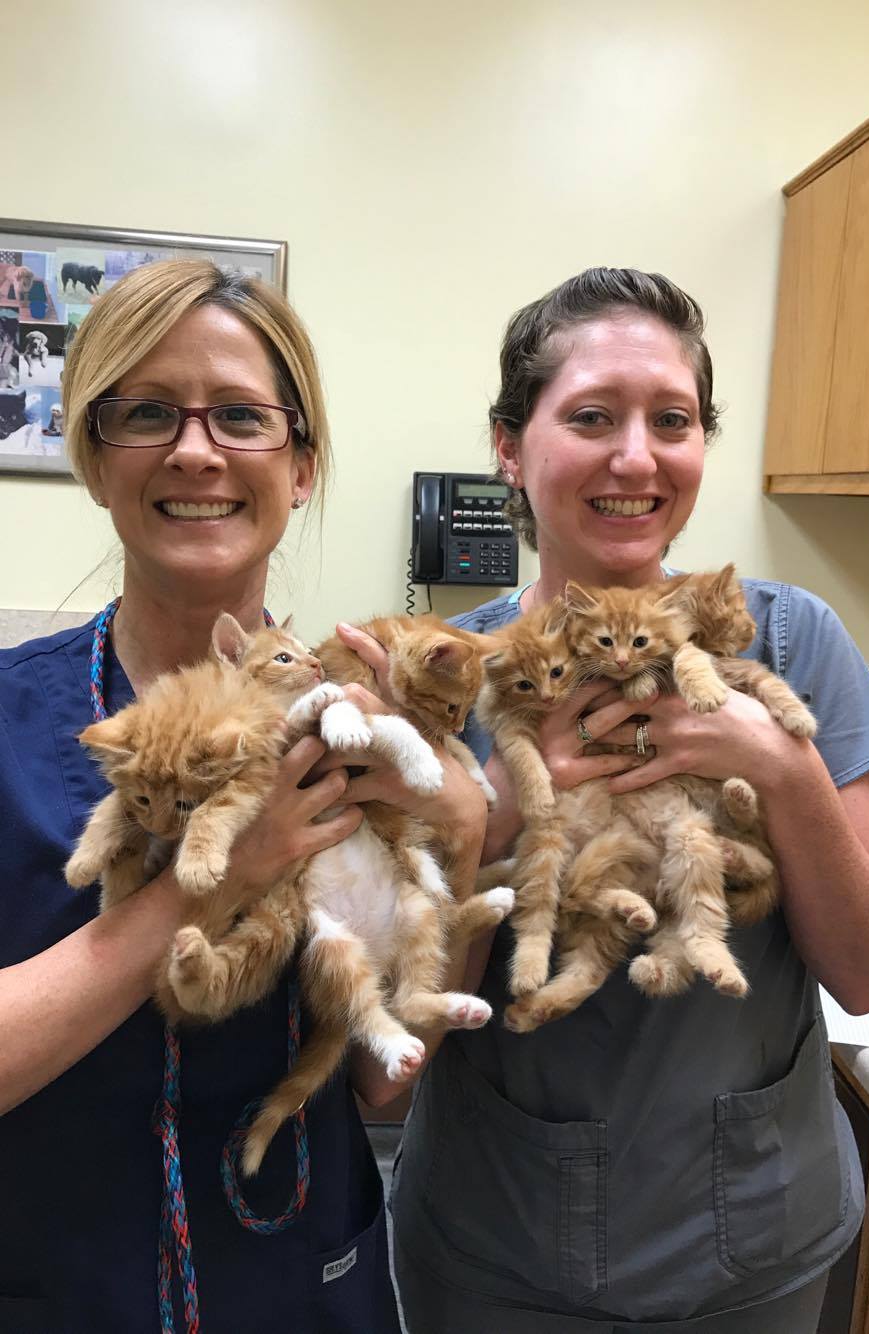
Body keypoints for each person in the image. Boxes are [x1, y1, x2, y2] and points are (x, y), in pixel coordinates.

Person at [390, 267, 869, 1333]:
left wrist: (778, 762)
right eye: (590, 416)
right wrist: (490, 815)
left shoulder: (790, 639)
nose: (636, 456)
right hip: (500, 1242)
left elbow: (867, 974)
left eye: (670, 419)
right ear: (508, 445)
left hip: (754, 1237)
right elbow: (386, 1066)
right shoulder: (449, 675)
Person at [0, 259, 487, 1333]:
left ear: (301, 464)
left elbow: (385, 1085)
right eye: (145, 413)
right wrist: (215, 880)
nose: (194, 449)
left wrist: (465, 838)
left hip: (300, 1279)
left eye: (240, 416)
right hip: (57, 1286)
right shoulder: (12, 726)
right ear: (91, 456)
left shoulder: (362, 727)